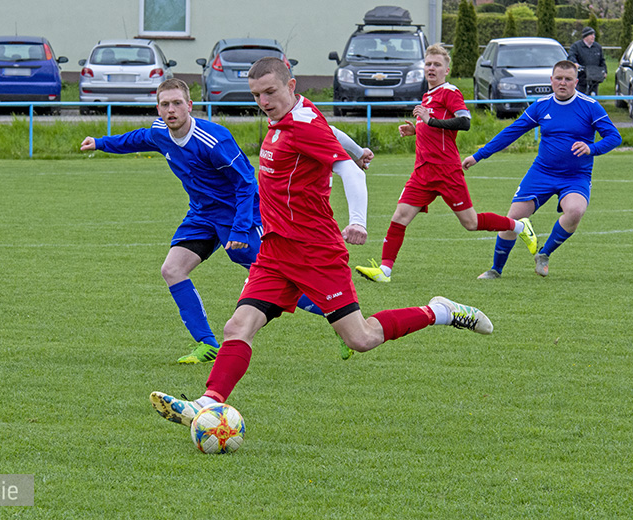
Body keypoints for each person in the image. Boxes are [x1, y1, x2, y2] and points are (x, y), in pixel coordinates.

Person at [149, 57, 494, 429]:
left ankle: (439, 311)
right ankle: (206, 403)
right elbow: (330, 131)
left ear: (291, 85)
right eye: (256, 95)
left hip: (316, 253)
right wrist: (356, 146)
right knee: (237, 327)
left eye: (270, 92)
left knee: (361, 338)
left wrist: (358, 220)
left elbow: (349, 171)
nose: (263, 101)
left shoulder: (301, 125)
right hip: (275, 250)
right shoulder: (291, 114)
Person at [80, 78, 373, 364]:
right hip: (202, 215)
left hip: (239, 214)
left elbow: (246, 183)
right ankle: (206, 344)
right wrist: (101, 143)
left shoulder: (214, 140)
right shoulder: (160, 132)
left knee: (281, 280)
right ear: (158, 109)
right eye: (165, 104)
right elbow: (138, 138)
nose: (171, 110)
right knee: (172, 269)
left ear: (189, 106)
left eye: (177, 103)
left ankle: (339, 319)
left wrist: (240, 229)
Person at [355, 44, 537, 284]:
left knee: (471, 223)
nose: (431, 68)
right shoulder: (428, 95)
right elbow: (436, 126)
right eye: (428, 64)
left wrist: (429, 121)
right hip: (422, 172)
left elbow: (464, 122)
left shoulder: (450, 92)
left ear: (446, 70)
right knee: (400, 216)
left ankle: (519, 227)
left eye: (437, 65)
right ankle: (384, 271)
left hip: (446, 171)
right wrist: (417, 129)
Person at [463, 60, 621, 279]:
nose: (563, 83)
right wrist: (478, 155)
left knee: (575, 211)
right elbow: (511, 132)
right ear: (551, 80)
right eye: (559, 78)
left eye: (568, 79)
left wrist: (591, 148)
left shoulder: (590, 106)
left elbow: (614, 137)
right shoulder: (541, 105)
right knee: (512, 219)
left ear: (576, 82)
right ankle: (495, 270)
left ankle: (544, 254)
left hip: (576, 176)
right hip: (542, 173)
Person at [568, 27, 607, 96]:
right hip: (581, 78)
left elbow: (602, 61)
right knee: (581, 97)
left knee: (593, 97)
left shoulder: (597, 47)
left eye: (594, 35)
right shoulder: (576, 46)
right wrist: (575, 63)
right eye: (591, 35)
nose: (593, 37)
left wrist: (605, 71)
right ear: (585, 36)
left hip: (594, 78)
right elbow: (571, 56)